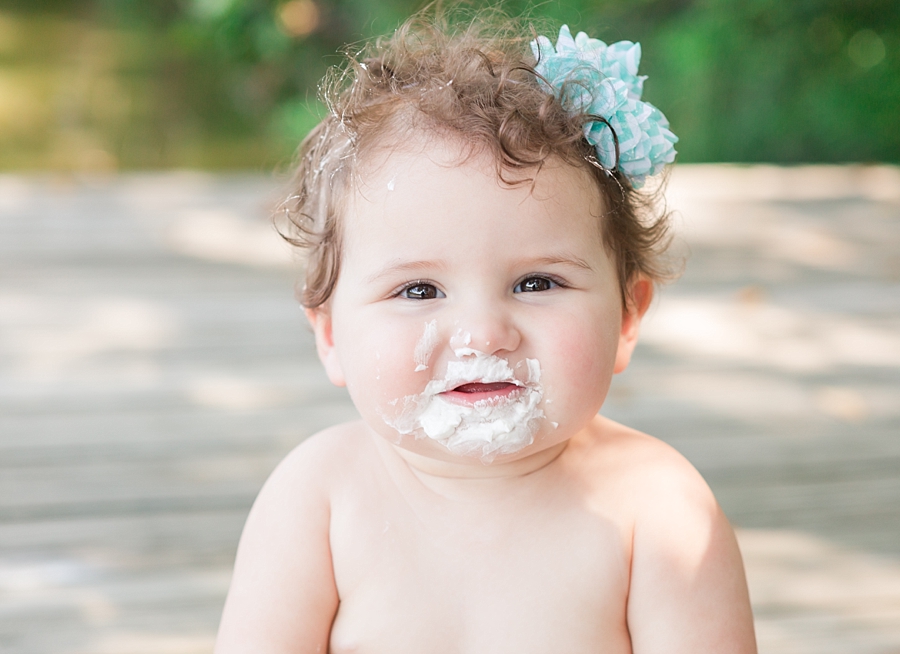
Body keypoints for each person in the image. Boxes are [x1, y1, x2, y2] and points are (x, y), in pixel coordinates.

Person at [215, 9, 756, 653]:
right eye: (418, 290)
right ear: (330, 335)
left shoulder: (659, 513)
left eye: (536, 283)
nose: (482, 333)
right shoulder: (318, 502)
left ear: (629, 314)